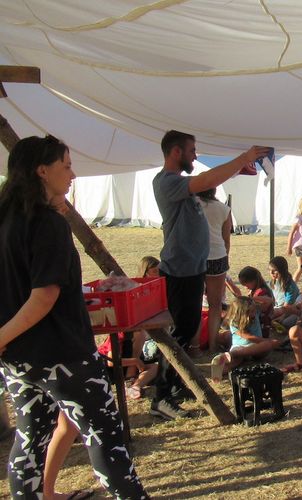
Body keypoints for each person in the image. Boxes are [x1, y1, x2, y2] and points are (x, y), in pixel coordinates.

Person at [0, 135, 148, 497]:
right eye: (66, 166)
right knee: (105, 438)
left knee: (30, 440)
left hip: (19, 359)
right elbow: (43, 297)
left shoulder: (7, 220)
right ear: (42, 171)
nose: (73, 174)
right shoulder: (47, 223)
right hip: (62, 356)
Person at [152, 129, 268, 420]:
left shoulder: (179, 184)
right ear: (176, 152)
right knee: (178, 334)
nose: (195, 156)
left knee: (186, 328)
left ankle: (175, 385)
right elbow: (207, 180)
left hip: (192, 269)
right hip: (179, 271)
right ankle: (161, 397)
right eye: (192, 150)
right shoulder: (167, 182)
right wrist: (243, 158)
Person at [194, 187, 231, 354]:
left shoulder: (193, 204)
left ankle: (194, 345)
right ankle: (213, 345)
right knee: (215, 305)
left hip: (196, 256)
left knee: (195, 304)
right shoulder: (224, 209)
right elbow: (226, 239)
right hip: (218, 256)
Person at [210, 296, 281, 381]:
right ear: (243, 313)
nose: (255, 311)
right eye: (252, 311)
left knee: (267, 345)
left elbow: (269, 301)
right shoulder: (234, 321)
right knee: (234, 363)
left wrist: (251, 299)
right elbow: (249, 337)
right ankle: (218, 371)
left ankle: (231, 355)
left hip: (253, 348)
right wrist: (266, 340)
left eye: (254, 309)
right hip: (240, 347)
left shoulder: (256, 313)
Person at [269, 256, 302, 329]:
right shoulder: (273, 281)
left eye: (274, 270)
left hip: (289, 310)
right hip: (278, 308)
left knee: (284, 322)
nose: (271, 273)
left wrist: (282, 317)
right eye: (270, 270)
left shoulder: (290, 286)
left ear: (282, 270)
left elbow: (287, 307)